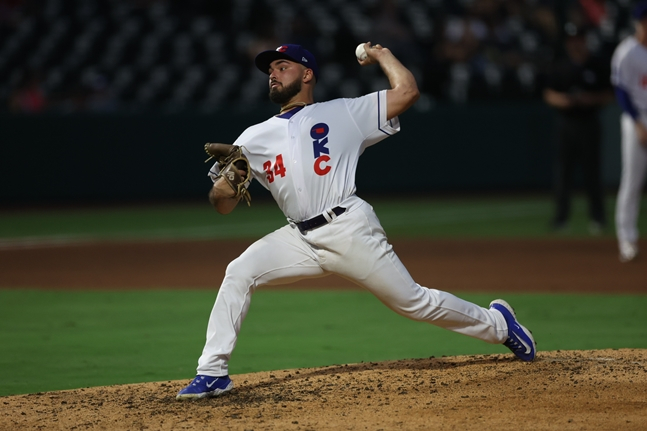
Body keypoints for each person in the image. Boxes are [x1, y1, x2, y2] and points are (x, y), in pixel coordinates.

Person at [176, 42, 537, 400]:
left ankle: (500, 325)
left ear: (307, 74)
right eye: (270, 70)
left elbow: (407, 92)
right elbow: (221, 205)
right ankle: (212, 372)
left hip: (348, 228)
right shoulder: (251, 139)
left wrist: (383, 55)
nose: (273, 74)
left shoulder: (343, 112)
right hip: (298, 238)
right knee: (239, 271)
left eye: (282, 66)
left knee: (413, 302)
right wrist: (229, 183)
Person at [543, 23, 614, 235]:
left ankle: (598, 218)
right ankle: (561, 219)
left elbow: (609, 94)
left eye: (579, 39)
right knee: (563, 172)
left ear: (585, 40)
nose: (575, 43)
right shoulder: (561, 65)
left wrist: (589, 99)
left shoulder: (596, 64)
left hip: (589, 121)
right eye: (572, 40)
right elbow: (548, 93)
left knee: (592, 171)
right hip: (567, 123)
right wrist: (564, 100)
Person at [610, 3, 647, 263]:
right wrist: (637, 123)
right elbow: (621, 91)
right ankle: (626, 239)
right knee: (632, 180)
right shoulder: (627, 51)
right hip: (637, 118)